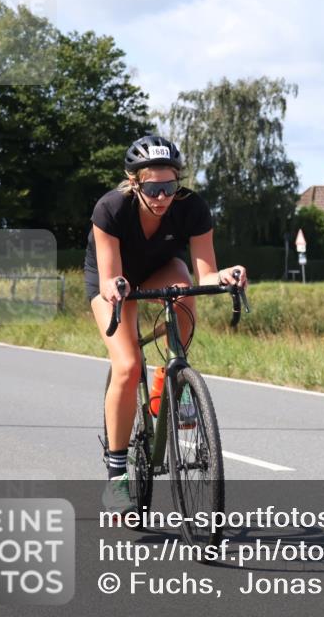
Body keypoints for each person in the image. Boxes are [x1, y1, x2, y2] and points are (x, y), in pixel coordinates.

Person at [83, 135, 246, 515]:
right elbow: (110, 279)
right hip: (113, 281)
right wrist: (116, 287)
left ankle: (170, 381)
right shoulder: (109, 208)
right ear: (135, 182)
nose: (161, 197)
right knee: (126, 366)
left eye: (169, 187)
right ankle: (118, 474)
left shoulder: (193, 209)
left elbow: (205, 274)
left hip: (160, 271)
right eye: (153, 188)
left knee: (185, 288)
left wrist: (225, 276)